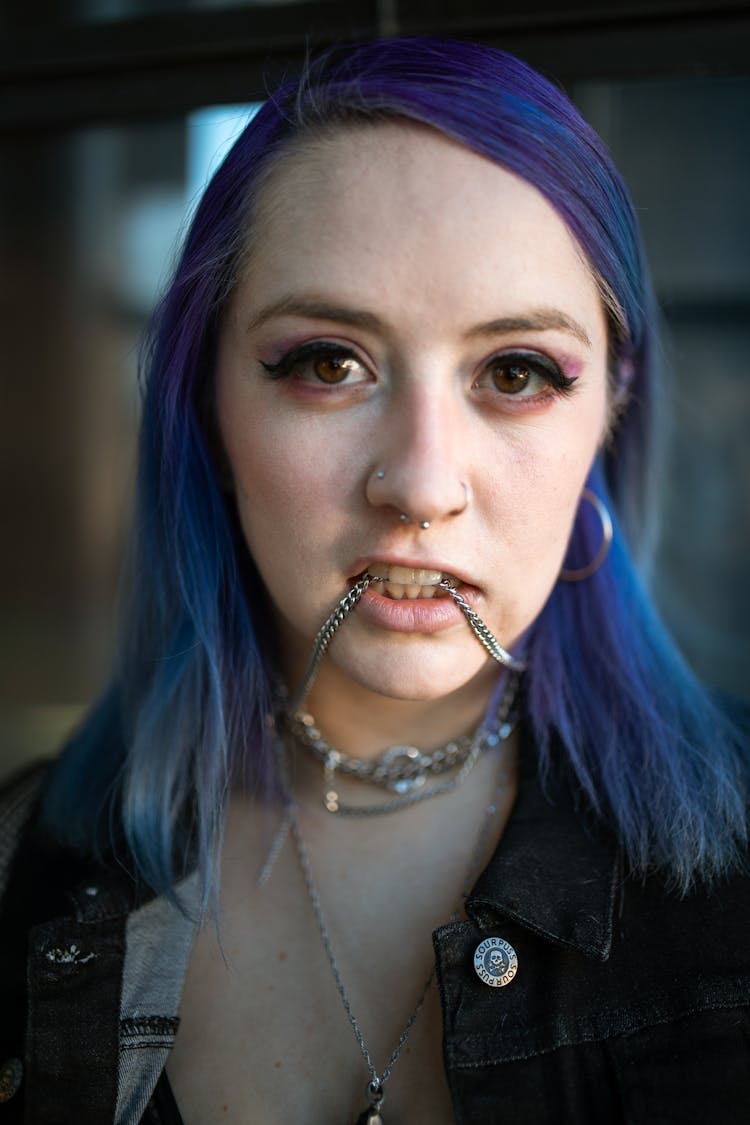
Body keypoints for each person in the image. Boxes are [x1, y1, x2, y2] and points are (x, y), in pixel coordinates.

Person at [0, 37, 748, 1125]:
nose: (421, 484)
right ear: (208, 409)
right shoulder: (23, 876)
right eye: (326, 362)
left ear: (610, 411)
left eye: (516, 372)